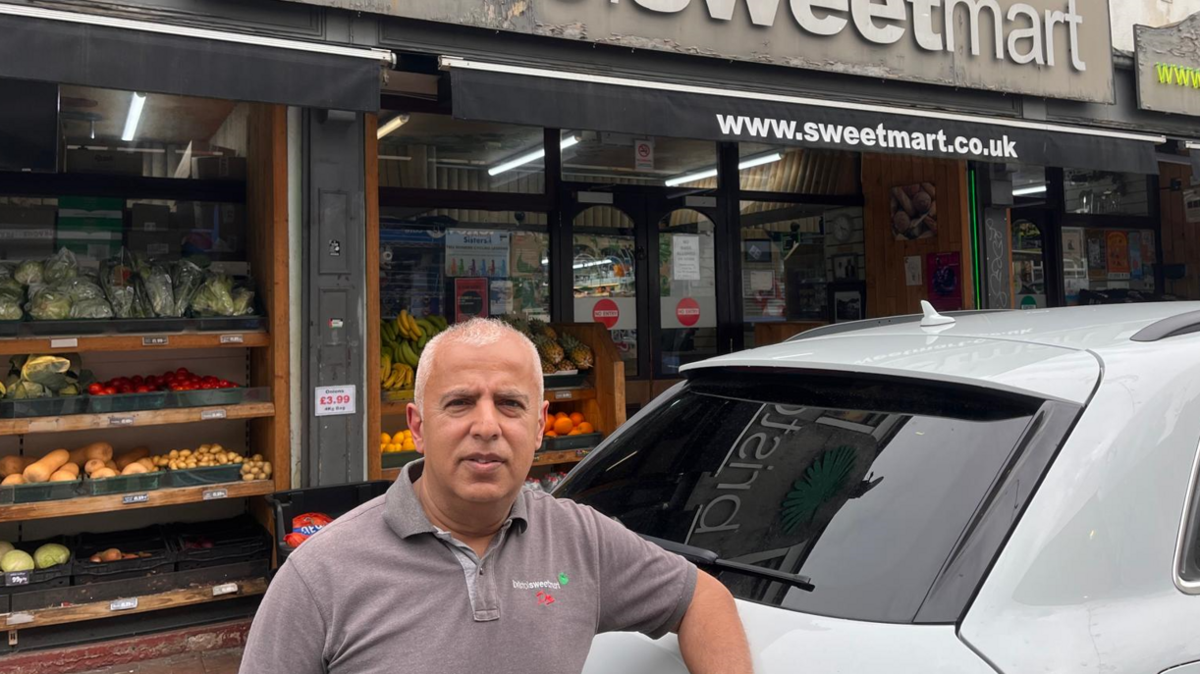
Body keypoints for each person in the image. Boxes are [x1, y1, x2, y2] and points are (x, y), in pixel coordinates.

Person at [240, 318, 752, 674]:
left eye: (509, 404)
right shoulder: (319, 574)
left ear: (538, 427)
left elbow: (700, 597)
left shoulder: (581, 539)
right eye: (460, 403)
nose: (486, 426)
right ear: (418, 426)